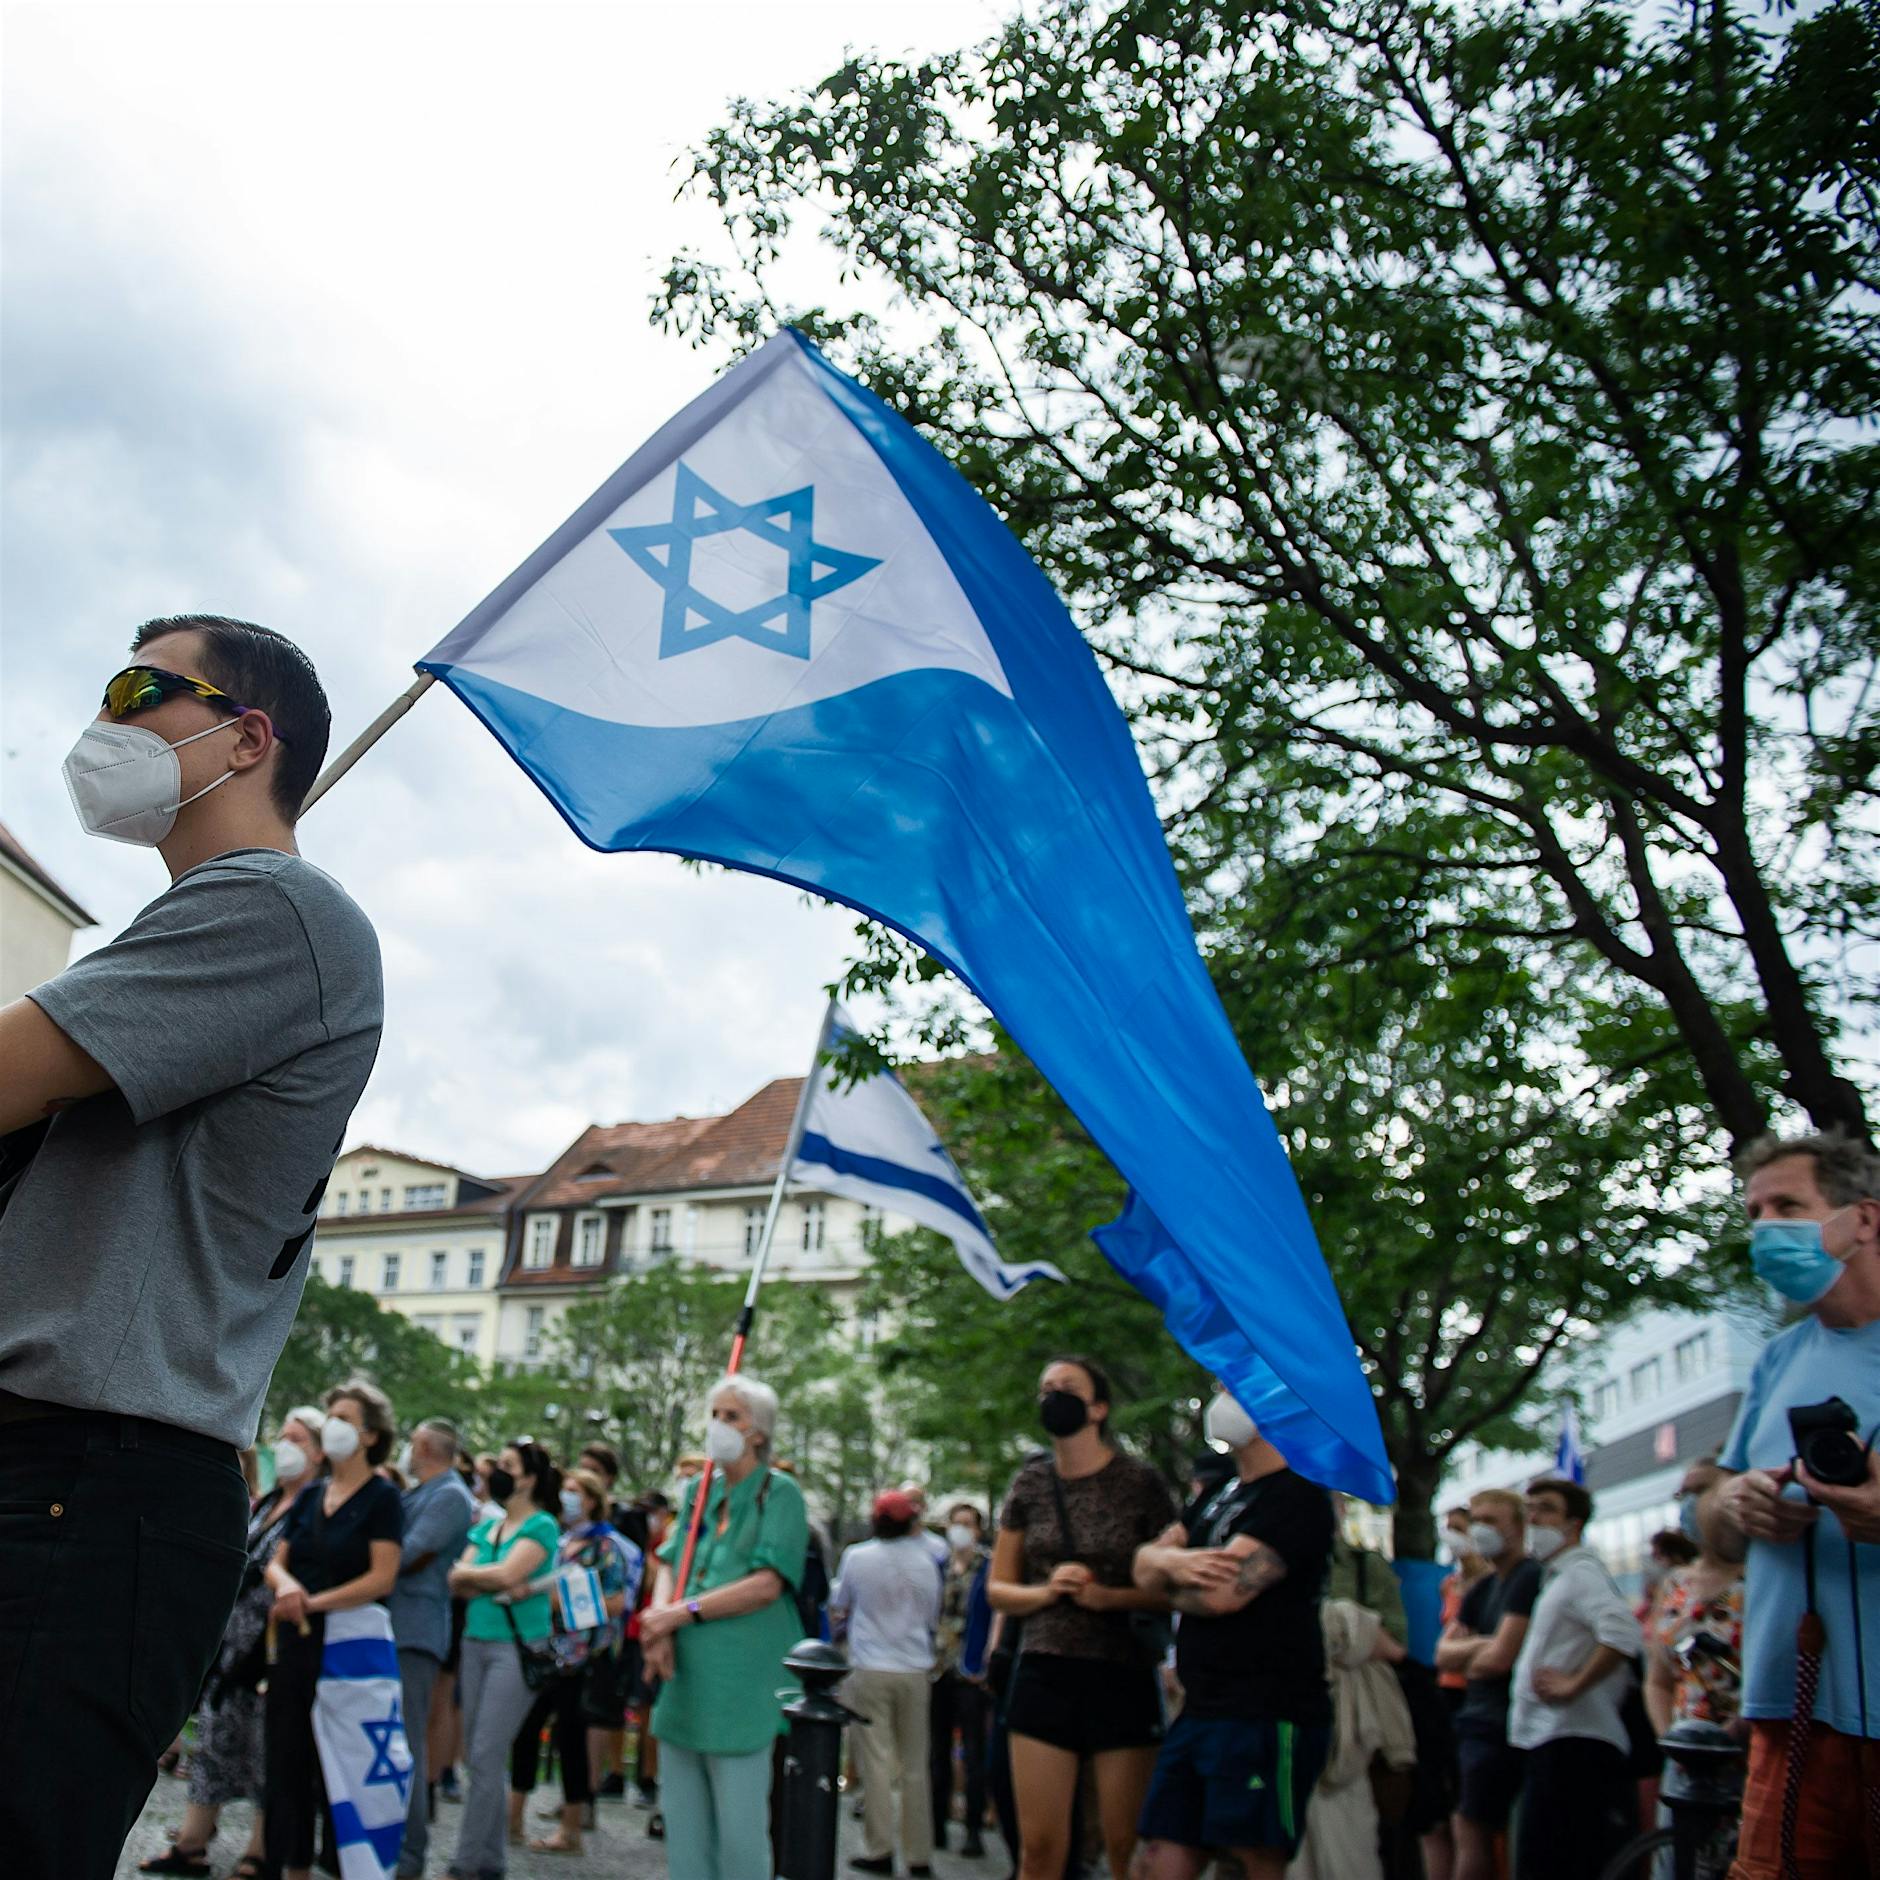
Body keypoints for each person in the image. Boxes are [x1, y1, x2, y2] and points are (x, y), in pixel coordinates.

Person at [0, 616, 381, 1880]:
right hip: (70, 1470)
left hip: (90, 1478)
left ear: (247, 735)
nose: (101, 722)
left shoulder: (277, 907)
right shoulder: (203, 921)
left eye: (137, 689)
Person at [1712, 1131, 1880, 1880]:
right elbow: (1711, 1526)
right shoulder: (1778, 1358)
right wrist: (1735, 1502)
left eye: (1787, 1206)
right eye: (1754, 1213)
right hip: (1790, 1714)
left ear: (1863, 1219)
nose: (1765, 1229)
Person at [1129, 1385, 1336, 1880]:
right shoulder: (1220, 1494)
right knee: (1158, 1857)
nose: (1221, 1398)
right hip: (1201, 1708)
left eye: (1233, 1387)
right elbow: (1141, 1566)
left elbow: (1221, 1595)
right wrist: (1172, 1563)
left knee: (1250, 1859)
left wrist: (1164, 1569)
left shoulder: (1298, 1494)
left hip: (1267, 1713)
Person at [987, 1354, 1176, 1880]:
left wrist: (1109, 1598)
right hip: (1044, 1670)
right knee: (1039, 1851)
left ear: (1098, 1408)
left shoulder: (1140, 1482)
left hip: (1121, 1671)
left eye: (1067, 1387)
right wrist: (1048, 1592)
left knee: (1125, 1846)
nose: (1053, 1397)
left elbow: (1173, 1589)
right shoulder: (1029, 1485)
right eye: (1045, 1388)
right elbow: (999, 1589)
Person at [139, 1406, 327, 1879]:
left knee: (267, 1751)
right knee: (215, 1741)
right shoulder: (269, 1501)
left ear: (320, 1452)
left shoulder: (317, 1507)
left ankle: (261, 1850)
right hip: (233, 1642)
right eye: (284, 1436)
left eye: (298, 1439)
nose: (285, 1446)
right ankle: (192, 1843)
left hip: (272, 1648)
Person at [638, 1374, 810, 1880]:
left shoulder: (780, 1494)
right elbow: (669, 1561)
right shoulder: (698, 1490)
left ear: (759, 1432)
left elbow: (766, 1584)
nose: (719, 1425)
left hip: (743, 1680)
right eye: (714, 1414)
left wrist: (679, 1613)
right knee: (684, 1829)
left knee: (740, 1833)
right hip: (685, 1676)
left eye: (732, 1416)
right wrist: (659, 1624)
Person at [263, 1383, 405, 1880]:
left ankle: (349, 1865)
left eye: (344, 1417)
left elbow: (382, 1578)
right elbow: (276, 1562)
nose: (333, 1425)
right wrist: (286, 1587)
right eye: (330, 1416)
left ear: (371, 1435)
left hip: (350, 1647)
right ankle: (292, 1867)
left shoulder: (383, 1498)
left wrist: (312, 1602)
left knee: (345, 1760)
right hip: (297, 1643)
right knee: (288, 1759)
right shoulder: (312, 1495)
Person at [1504, 1476, 1640, 1880]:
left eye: (1546, 1509)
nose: (1533, 1519)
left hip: (1573, 1743)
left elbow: (1623, 1633)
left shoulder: (1581, 1574)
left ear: (1574, 1524)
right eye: (1529, 1510)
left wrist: (1574, 1683)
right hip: (1554, 1740)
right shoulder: (1559, 1577)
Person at [510, 1464, 643, 1855]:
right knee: (526, 1731)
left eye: (576, 1491)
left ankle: (571, 1830)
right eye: (564, 1489)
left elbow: (617, 1602)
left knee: (571, 1738)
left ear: (593, 1501)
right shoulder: (557, 1540)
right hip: (543, 1651)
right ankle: (512, 1819)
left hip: (583, 1658)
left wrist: (562, 1602)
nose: (567, 1497)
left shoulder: (607, 1547)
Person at [446, 1439, 561, 1880]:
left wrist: (480, 1576)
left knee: (486, 1754)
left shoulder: (542, 1525)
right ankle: (491, 1861)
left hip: (514, 1649)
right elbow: (458, 1579)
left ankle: (464, 1863)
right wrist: (486, 1578)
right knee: (480, 1758)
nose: (497, 1471)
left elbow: (506, 1573)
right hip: (475, 1642)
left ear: (529, 1478)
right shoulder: (490, 1525)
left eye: (509, 1465)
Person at [833, 1490, 946, 1876]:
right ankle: (919, 1855)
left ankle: (879, 1848)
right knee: (916, 1763)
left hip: (869, 1665)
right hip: (914, 1667)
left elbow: (841, 1602)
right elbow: (932, 1615)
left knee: (876, 1761)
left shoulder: (857, 1557)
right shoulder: (928, 1560)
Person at [1433, 1487, 1542, 1880]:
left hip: (1503, 1724)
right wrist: (1484, 1645)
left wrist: (1475, 1651)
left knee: (1475, 1827)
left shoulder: (1528, 1576)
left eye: (1491, 1521)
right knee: (1465, 1824)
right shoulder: (1483, 1587)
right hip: (1475, 1719)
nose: (1480, 1530)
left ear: (1519, 1527)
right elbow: (1442, 1654)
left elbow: (1499, 1659)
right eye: (1477, 1521)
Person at [387, 1417, 476, 1879]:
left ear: (423, 1446)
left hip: (415, 1630)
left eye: (412, 1442)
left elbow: (409, 1552)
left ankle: (409, 1854)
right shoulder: (424, 1491)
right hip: (397, 1626)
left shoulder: (451, 1495)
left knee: (407, 1741)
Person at [1644, 1479, 1746, 1737]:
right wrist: (1669, 1739)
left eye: (1700, 1490)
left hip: (1748, 1744)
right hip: (1686, 1743)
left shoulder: (1755, 1580)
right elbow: (1658, 1681)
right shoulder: (1675, 1583)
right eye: (1684, 1494)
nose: (1691, 1503)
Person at [931, 1501, 995, 1860]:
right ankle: (937, 1823)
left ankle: (973, 1827)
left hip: (971, 1670)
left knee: (974, 1752)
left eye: (967, 1523)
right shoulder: (938, 1566)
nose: (960, 1529)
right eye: (956, 1523)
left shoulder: (988, 1568)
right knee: (937, 1750)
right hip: (939, 1667)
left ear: (978, 1529)